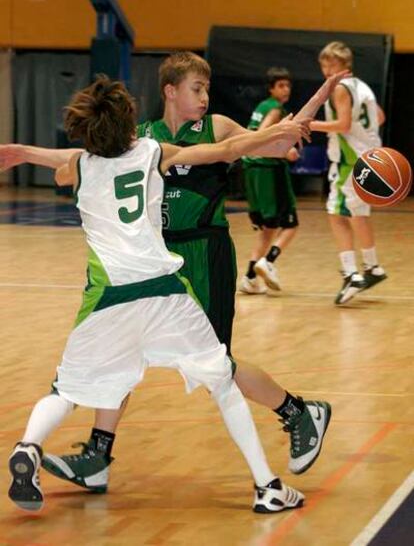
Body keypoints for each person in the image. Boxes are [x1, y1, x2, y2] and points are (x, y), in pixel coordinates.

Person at [0, 53, 346, 498]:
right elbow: (87, 156)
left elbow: (276, 147)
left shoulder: (217, 126)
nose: (204, 97)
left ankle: (298, 411)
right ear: (170, 90)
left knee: (218, 362)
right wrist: (25, 152)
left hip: (205, 251)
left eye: (206, 88)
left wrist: (303, 114)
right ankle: (98, 456)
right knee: (121, 360)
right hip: (161, 254)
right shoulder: (144, 138)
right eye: (196, 88)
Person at [310, 41, 387, 305]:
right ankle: (373, 267)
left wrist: (310, 123)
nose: (328, 68)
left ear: (344, 65)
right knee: (358, 214)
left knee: (336, 213)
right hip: (370, 158)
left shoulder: (340, 88)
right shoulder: (362, 86)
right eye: (325, 64)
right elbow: (380, 117)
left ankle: (352, 273)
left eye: (332, 64)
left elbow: (342, 125)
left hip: (351, 161)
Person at [240, 67, 299, 295]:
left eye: (288, 85)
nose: (286, 89)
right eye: (281, 85)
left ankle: (250, 277)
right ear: (271, 88)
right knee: (290, 224)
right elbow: (260, 137)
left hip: (251, 170)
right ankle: (268, 261)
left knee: (266, 228)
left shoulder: (261, 107)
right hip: (268, 170)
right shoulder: (274, 109)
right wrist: (286, 152)